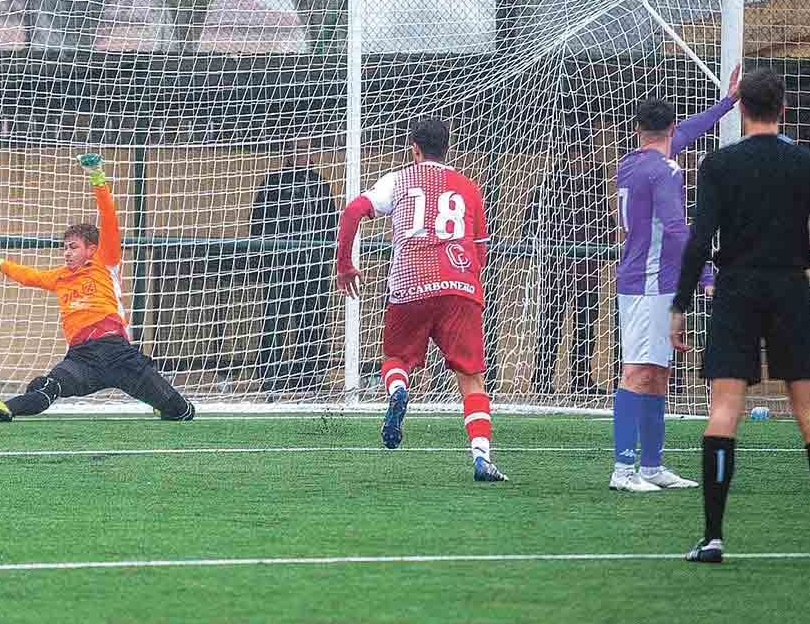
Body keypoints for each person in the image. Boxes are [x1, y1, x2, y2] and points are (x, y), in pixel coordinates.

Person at [670, 67, 810, 565]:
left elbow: (698, 242)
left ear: (740, 108)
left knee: (724, 411)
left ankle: (712, 537)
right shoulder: (807, 164)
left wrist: (680, 306)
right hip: (790, 289)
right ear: (784, 109)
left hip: (735, 289)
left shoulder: (718, 165)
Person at [336, 116, 507, 482]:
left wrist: (345, 266)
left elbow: (352, 212)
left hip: (410, 283)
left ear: (414, 148)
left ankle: (398, 389)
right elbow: (480, 250)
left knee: (397, 359)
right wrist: (467, 283)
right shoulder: (468, 187)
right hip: (459, 287)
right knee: (471, 377)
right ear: (448, 148)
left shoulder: (398, 179)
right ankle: (482, 457)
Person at [0, 154, 196, 422]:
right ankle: (6, 408)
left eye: (73, 247)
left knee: (180, 411)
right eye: (64, 247)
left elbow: (109, 217)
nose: (66, 253)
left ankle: (166, 404)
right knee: (48, 387)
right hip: (82, 357)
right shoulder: (61, 277)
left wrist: (97, 176)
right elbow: (28, 276)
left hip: (117, 352)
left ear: (92, 248)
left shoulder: (105, 260)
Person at [607, 65, 738, 493]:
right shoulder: (665, 172)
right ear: (671, 128)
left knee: (658, 372)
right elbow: (679, 229)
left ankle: (651, 466)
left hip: (652, 281)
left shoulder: (634, 162)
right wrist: (704, 274)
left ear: (639, 129)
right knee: (638, 372)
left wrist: (728, 102)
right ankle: (622, 471)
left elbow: (688, 133)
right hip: (648, 283)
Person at [248, 137, 338, 397]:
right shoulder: (272, 184)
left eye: (307, 150)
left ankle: (309, 376)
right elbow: (258, 224)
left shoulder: (320, 186)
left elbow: (330, 225)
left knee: (313, 319)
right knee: (276, 317)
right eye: (297, 150)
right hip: (280, 264)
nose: (303, 155)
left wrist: (324, 258)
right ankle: (269, 376)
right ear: (287, 153)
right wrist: (263, 261)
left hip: (312, 264)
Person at [523, 146, 611, 402]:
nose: (578, 162)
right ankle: (541, 378)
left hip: (587, 270)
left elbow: (606, 223)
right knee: (550, 323)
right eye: (573, 156)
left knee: (586, 325)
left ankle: (582, 378)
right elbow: (531, 222)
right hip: (557, 268)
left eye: (583, 157)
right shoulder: (549, 188)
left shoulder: (596, 191)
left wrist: (601, 255)